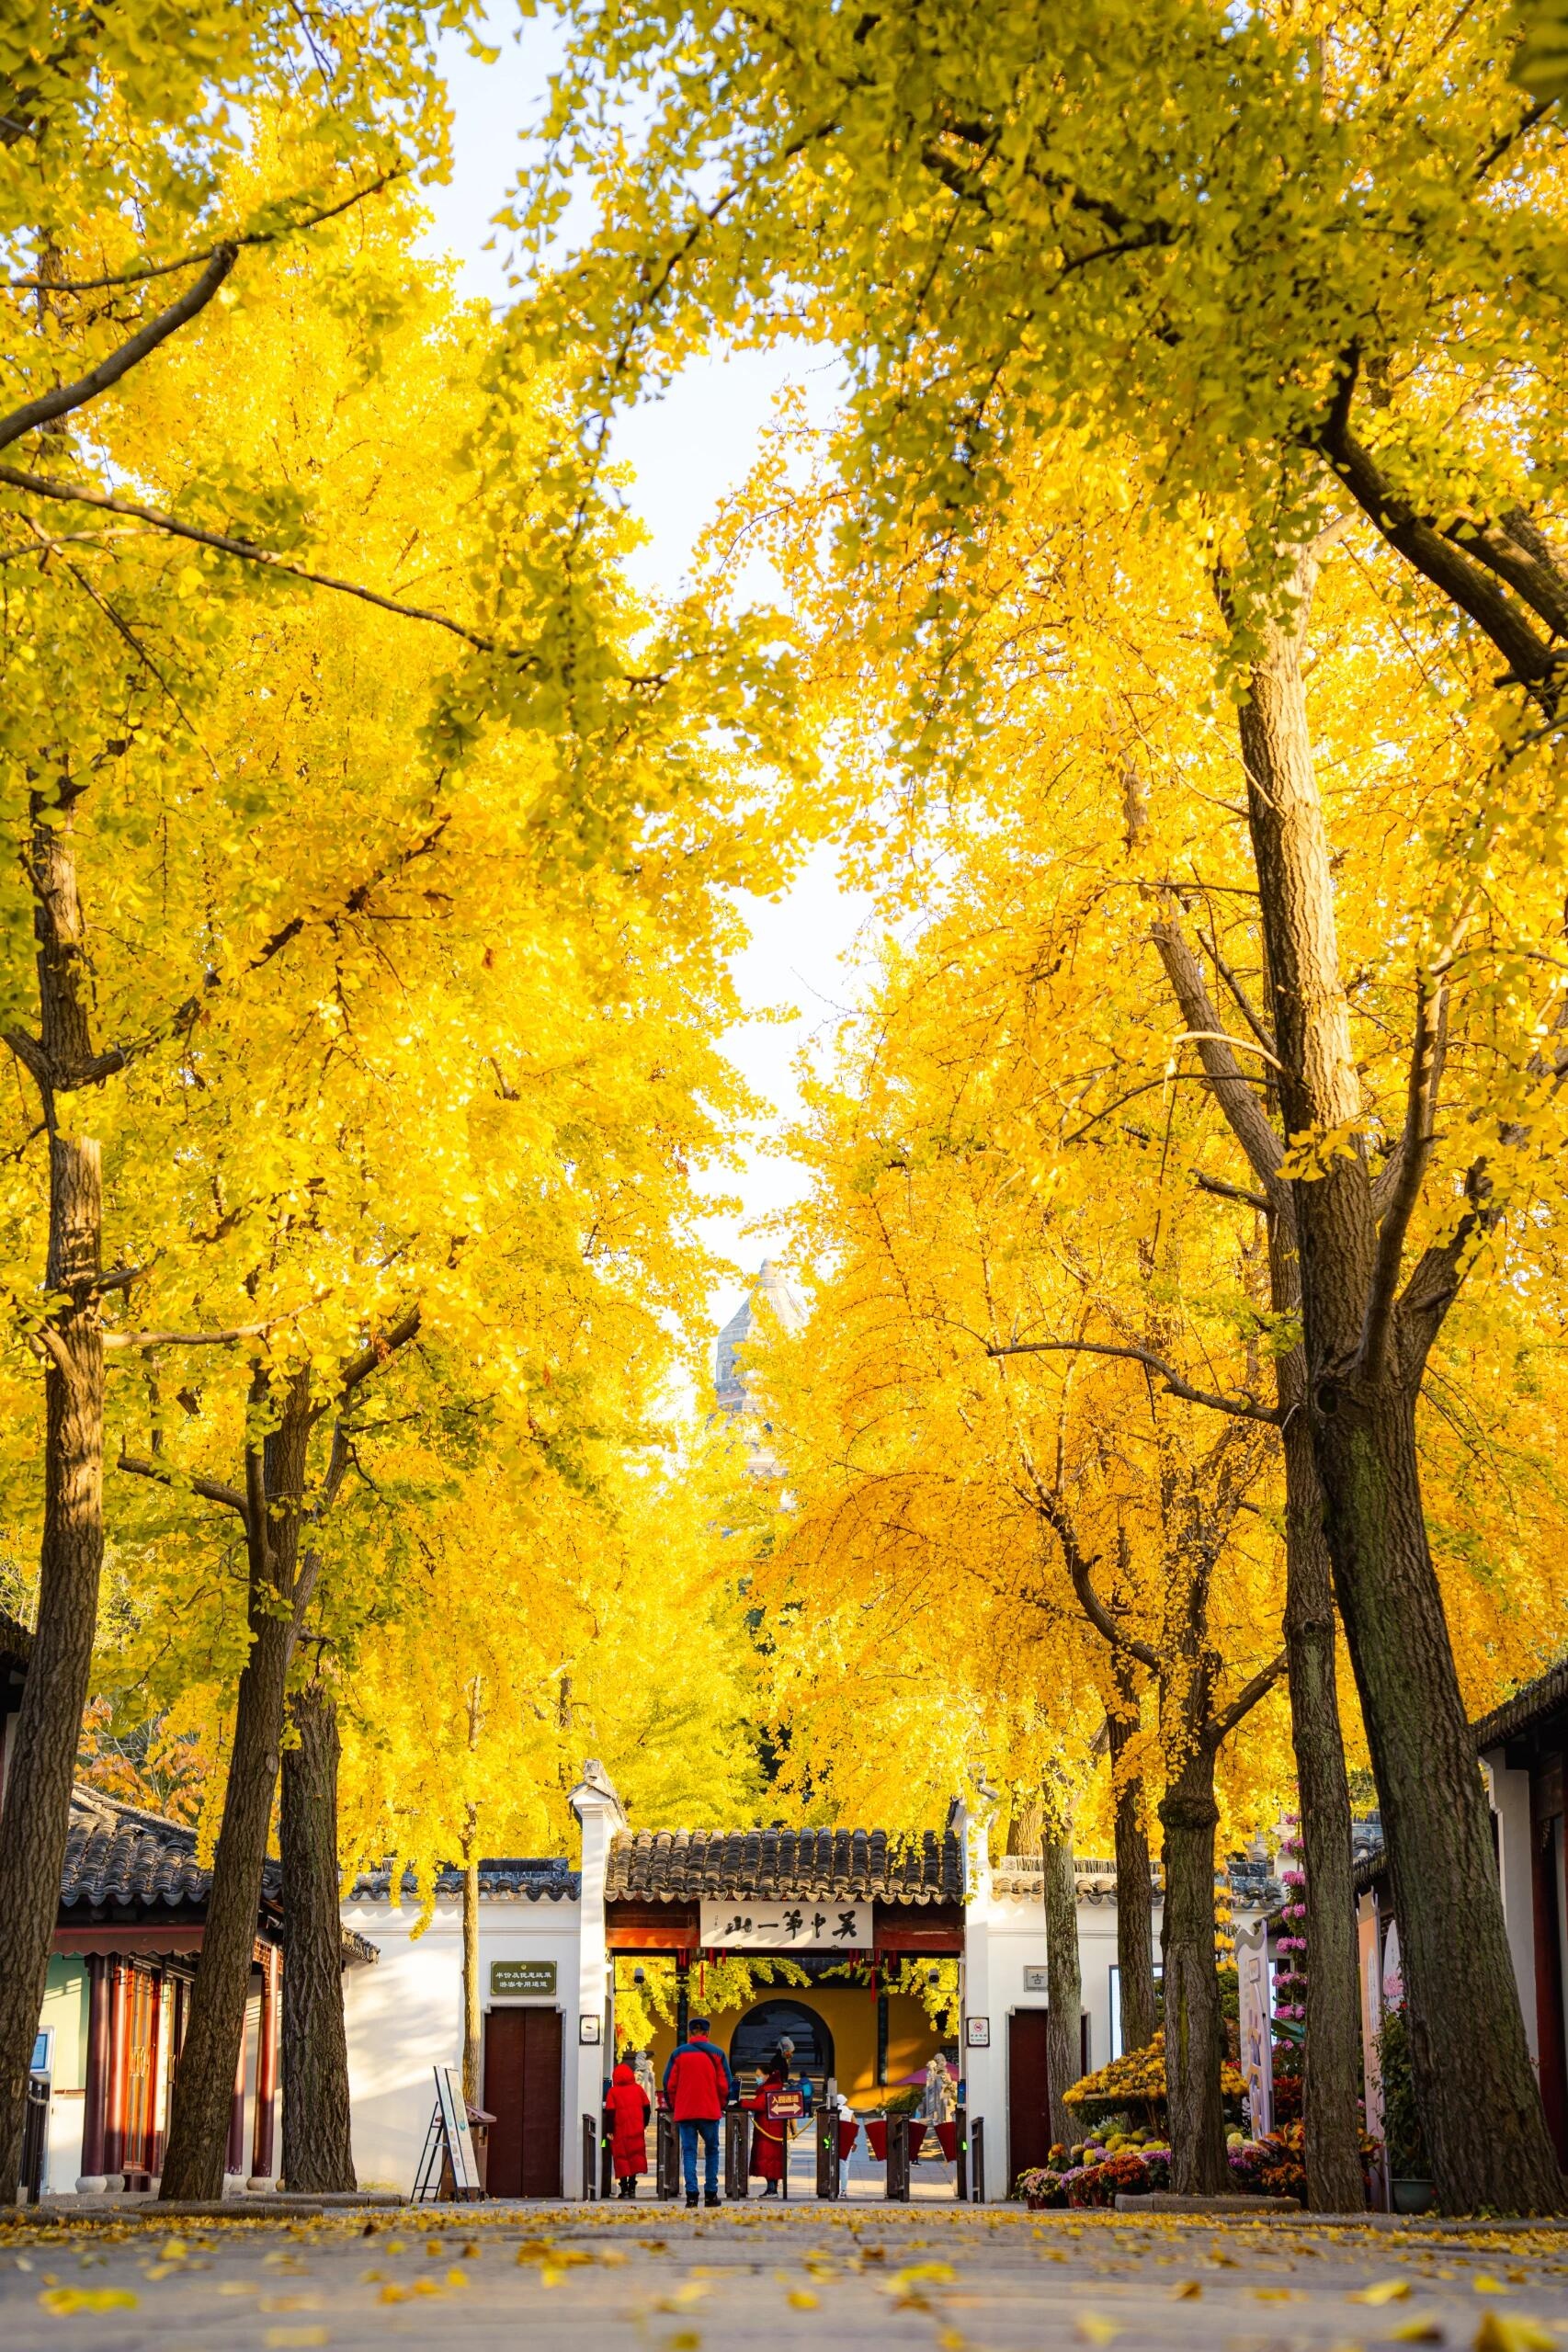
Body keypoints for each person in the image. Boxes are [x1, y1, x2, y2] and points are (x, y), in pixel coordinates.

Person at [662, 2014, 736, 2209]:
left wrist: (675, 2105)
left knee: (689, 2152)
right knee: (712, 2151)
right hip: (709, 2110)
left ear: (690, 2033)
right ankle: (711, 2194)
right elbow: (725, 2085)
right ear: (707, 2033)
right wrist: (719, 2104)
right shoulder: (718, 2054)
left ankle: (692, 2195)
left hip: (685, 2111)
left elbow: (669, 2083)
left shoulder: (678, 2054)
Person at [745, 2038, 799, 2199]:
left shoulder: (768, 2089)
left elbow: (759, 2105)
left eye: (758, 2075)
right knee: (773, 2160)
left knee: (769, 2160)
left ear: (767, 2075)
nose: (757, 2078)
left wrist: (742, 2102)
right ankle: (772, 2188)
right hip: (774, 2131)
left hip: (768, 2131)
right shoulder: (777, 2086)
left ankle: (772, 2189)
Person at [605, 2058, 652, 2199]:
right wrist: (644, 2124)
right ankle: (632, 2188)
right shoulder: (638, 2089)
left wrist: (610, 2131)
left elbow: (610, 2113)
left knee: (621, 2158)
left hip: (619, 2132)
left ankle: (624, 2189)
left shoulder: (613, 2092)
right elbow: (647, 2108)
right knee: (635, 2156)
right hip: (636, 2131)